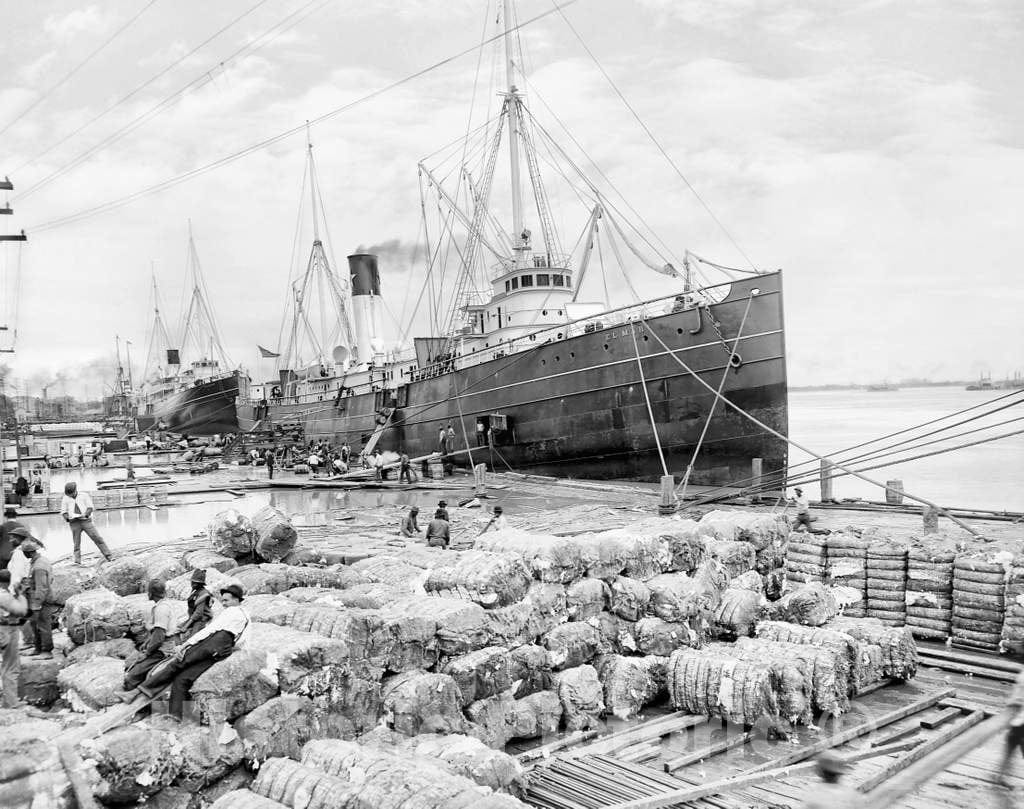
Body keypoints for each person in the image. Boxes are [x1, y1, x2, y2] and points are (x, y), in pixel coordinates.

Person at [140, 584, 250, 720]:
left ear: (236, 600)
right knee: (183, 678)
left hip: (213, 642)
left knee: (179, 663)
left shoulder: (231, 612)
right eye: (223, 600)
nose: (223, 603)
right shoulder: (246, 616)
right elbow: (243, 641)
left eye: (226, 600)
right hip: (221, 650)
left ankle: (146, 687)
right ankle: (176, 714)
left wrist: (186, 644)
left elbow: (210, 630)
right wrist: (229, 648)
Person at [117, 580, 181, 700]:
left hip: (164, 649)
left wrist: (147, 653)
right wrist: (147, 643)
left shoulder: (161, 609)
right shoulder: (163, 605)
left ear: (151, 593)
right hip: (163, 644)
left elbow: (159, 638)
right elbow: (156, 633)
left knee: (132, 676)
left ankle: (135, 702)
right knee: (133, 663)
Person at [60, 482, 113, 564]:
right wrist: (67, 518)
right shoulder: (65, 498)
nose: (70, 495)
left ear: (75, 491)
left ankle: (109, 556)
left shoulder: (84, 495)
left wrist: (86, 514)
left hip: (85, 521)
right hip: (74, 523)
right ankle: (77, 562)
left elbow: (90, 507)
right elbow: (63, 512)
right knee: (76, 543)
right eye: (68, 494)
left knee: (97, 538)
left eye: (71, 494)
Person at [21, 538, 54, 659]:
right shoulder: (38, 561)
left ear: (28, 552)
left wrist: (37, 604)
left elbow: (42, 587)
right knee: (35, 624)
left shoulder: (39, 565)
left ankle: (47, 651)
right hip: (36, 598)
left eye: (24, 552)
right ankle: (37, 648)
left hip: (41, 600)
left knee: (43, 625)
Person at [0, 570, 28, 708]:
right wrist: (20, 595)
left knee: (6, 665)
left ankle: (8, 700)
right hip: (7, 630)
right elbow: (21, 611)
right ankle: (11, 703)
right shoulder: (3, 596)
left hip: (3, 630)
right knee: (10, 666)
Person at [180, 569, 214, 639]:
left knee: (193, 638)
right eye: (192, 582)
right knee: (177, 629)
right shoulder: (195, 591)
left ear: (200, 584)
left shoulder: (203, 594)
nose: (192, 584)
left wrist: (186, 626)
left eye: (195, 583)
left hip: (201, 619)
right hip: (193, 617)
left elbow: (198, 613)